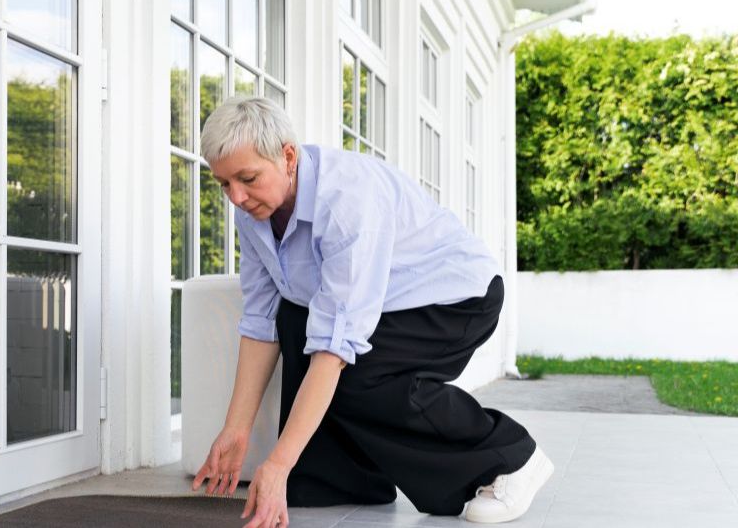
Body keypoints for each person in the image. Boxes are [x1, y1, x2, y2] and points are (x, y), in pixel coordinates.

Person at [190, 96, 553, 526]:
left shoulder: (347, 202)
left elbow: (333, 349)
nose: (236, 197)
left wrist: (278, 464)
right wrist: (237, 431)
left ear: (288, 156)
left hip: (456, 298)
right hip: (388, 302)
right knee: (293, 314)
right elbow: (261, 319)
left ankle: (511, 456)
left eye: (247, 178)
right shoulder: (253, 216)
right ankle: (344, 479)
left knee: (356, 373)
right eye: (224, 184)